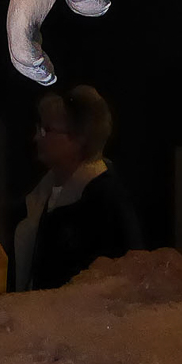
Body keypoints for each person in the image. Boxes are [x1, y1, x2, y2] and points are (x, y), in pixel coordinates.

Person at [13, 86, 143, 291]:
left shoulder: (105, 199)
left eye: (47, 130)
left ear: (80, 138)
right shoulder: (45, 192)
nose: (37, 137)